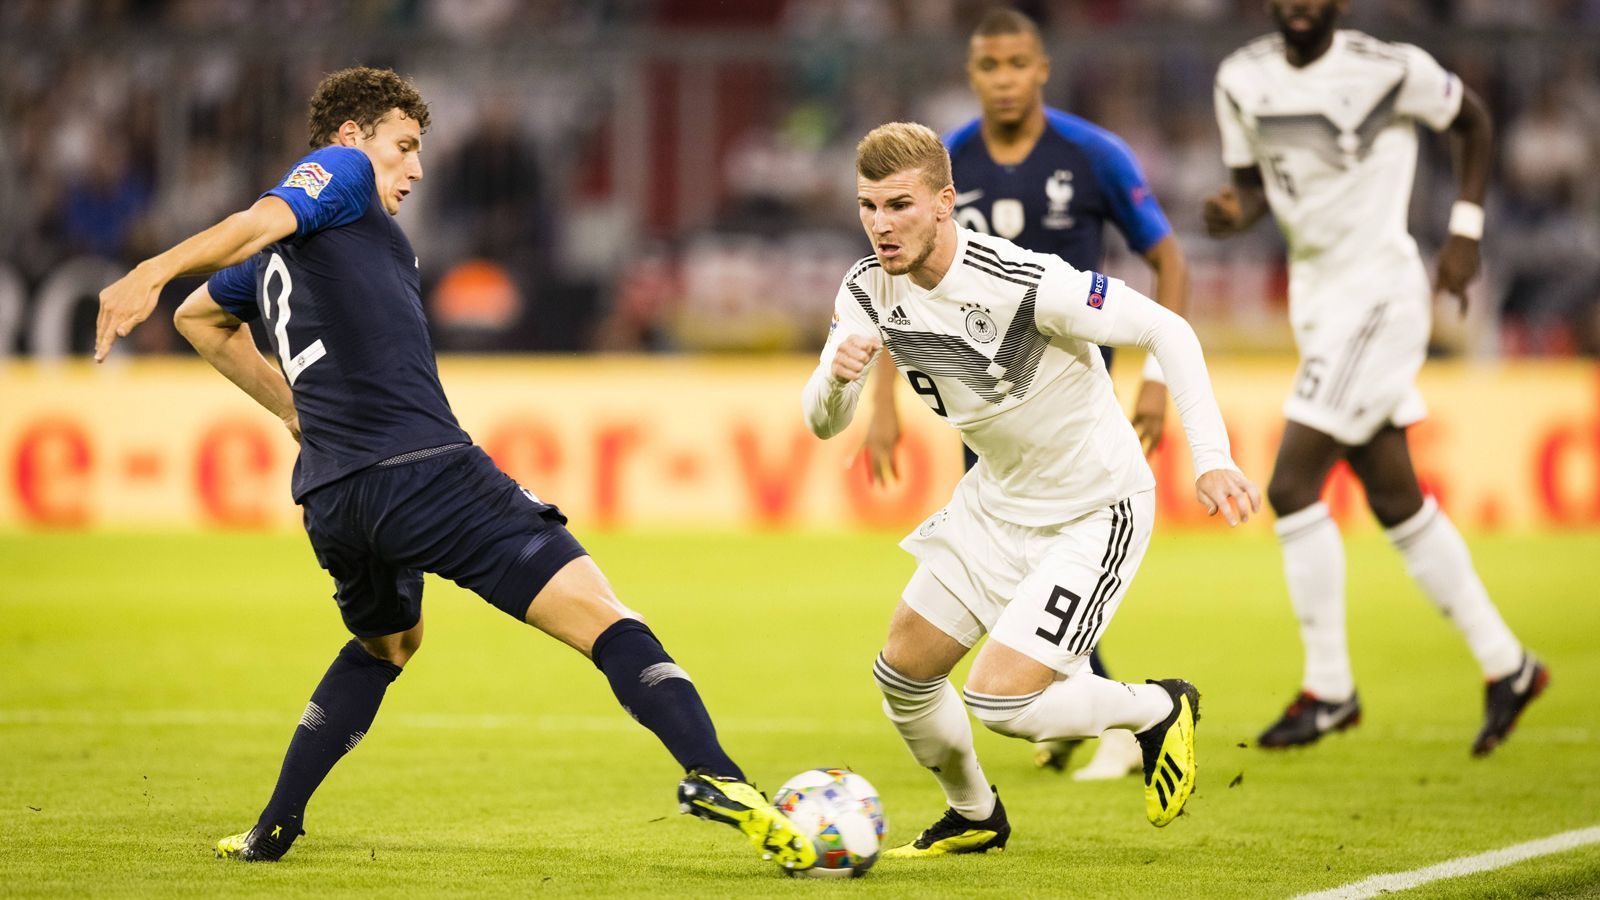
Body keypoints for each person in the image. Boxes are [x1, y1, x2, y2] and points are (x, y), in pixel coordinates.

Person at [93, 67, 814, 871]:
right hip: (426, 474)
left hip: (335, 499)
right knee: (605, 616)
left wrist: (299, 416)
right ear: (351, 139)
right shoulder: (341, 175)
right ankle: (719, 776)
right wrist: (149, 271)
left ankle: (273, 826)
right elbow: (250, 227)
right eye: (404, 147)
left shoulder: (273, 263)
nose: (417, 168)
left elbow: (204, 318)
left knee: (386, 647)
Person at [805, 121, 1260, 857]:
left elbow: (1169, 329)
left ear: (945, 202)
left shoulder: (1027, 281)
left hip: (1092, 507)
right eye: (867, 207)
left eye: (899, 206)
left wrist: (1211, 457)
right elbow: (824, 424)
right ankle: (975, 814)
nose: (880, 226)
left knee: (999, 699)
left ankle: (1155, 707)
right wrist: (835, 379)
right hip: (998, 502)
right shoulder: (866, 288)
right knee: (902, 673)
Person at [1203, 0, 1546, 755]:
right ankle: (1508, 665)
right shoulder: (1240, 79)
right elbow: (1254, 186)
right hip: (1316, 298)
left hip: (1381, 295)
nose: (1298, 7)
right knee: (1393, 494)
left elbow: (1475, 122)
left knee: (1291, 485)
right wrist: (1236, 211)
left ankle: (1329, 687)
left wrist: (1465, 233)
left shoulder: (1388, 68)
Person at [860, 8, 1190, 781]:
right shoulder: (949, 161)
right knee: (1013, 558)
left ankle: (1110, 715)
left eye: (1017, 64)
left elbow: (1168, 260)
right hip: (979, 388)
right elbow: (896, 285)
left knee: (1061, 544)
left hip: (1072, 391)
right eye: (988, 66)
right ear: (971, 74)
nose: (1003, 79)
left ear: (1042, 69)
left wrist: (1156, 383)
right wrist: (880, 405)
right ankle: (1068, 711)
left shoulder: (1093, 153)